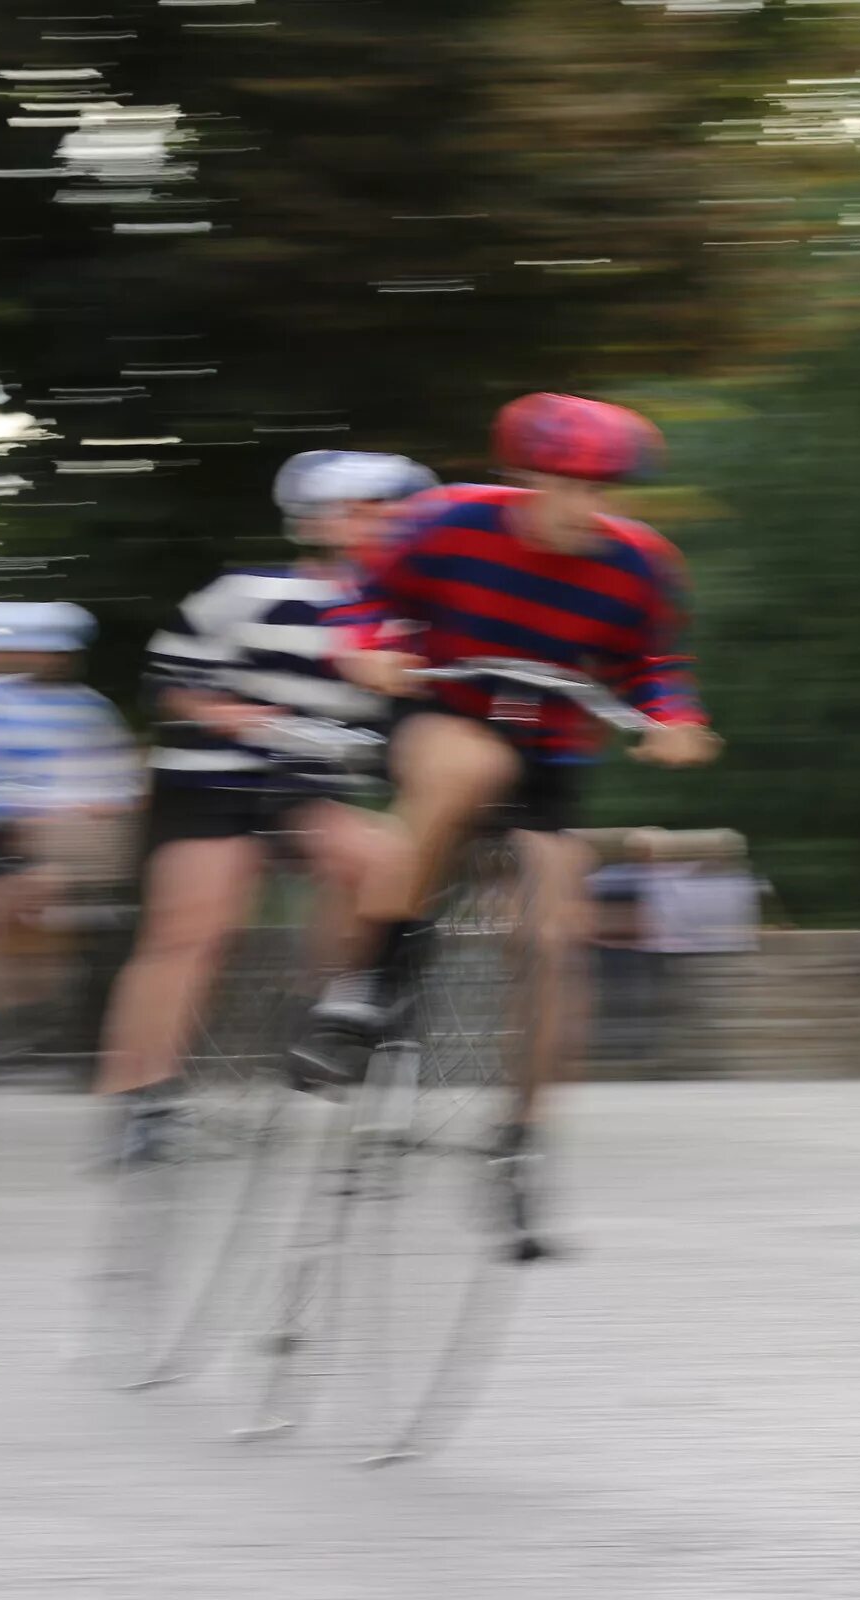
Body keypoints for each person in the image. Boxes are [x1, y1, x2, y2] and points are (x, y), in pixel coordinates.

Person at [296, 394, 722, 1249]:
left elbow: (654, 665)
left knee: (555, 932)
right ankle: (367, 986)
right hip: (443, 713)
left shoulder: (640, 564)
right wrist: (367, 649)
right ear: (523, 477)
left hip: (553, 749)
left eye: (604, 488)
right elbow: (364, 597)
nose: (585, 506)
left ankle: (519, 1140)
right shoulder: (446, 522)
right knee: (468, 766)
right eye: (565, 485)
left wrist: (672, 721)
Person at [91, 450, 432, 1161]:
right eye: (370, 510)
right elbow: (172, 685)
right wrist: (250, 720)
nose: (388, 525)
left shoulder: (409, 619)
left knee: (386, 863)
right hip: (212, 778)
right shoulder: (245, 591)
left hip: (309, 784)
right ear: (322, 521)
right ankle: (140, 1102)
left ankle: (333, 1012)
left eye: (398, 511)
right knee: (194, 930)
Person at [0, 601, 140, 1045]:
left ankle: (12, 1019)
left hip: (54, 840)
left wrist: (54, 811)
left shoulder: (85, 711)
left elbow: (115, 791)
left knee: (21, 900)